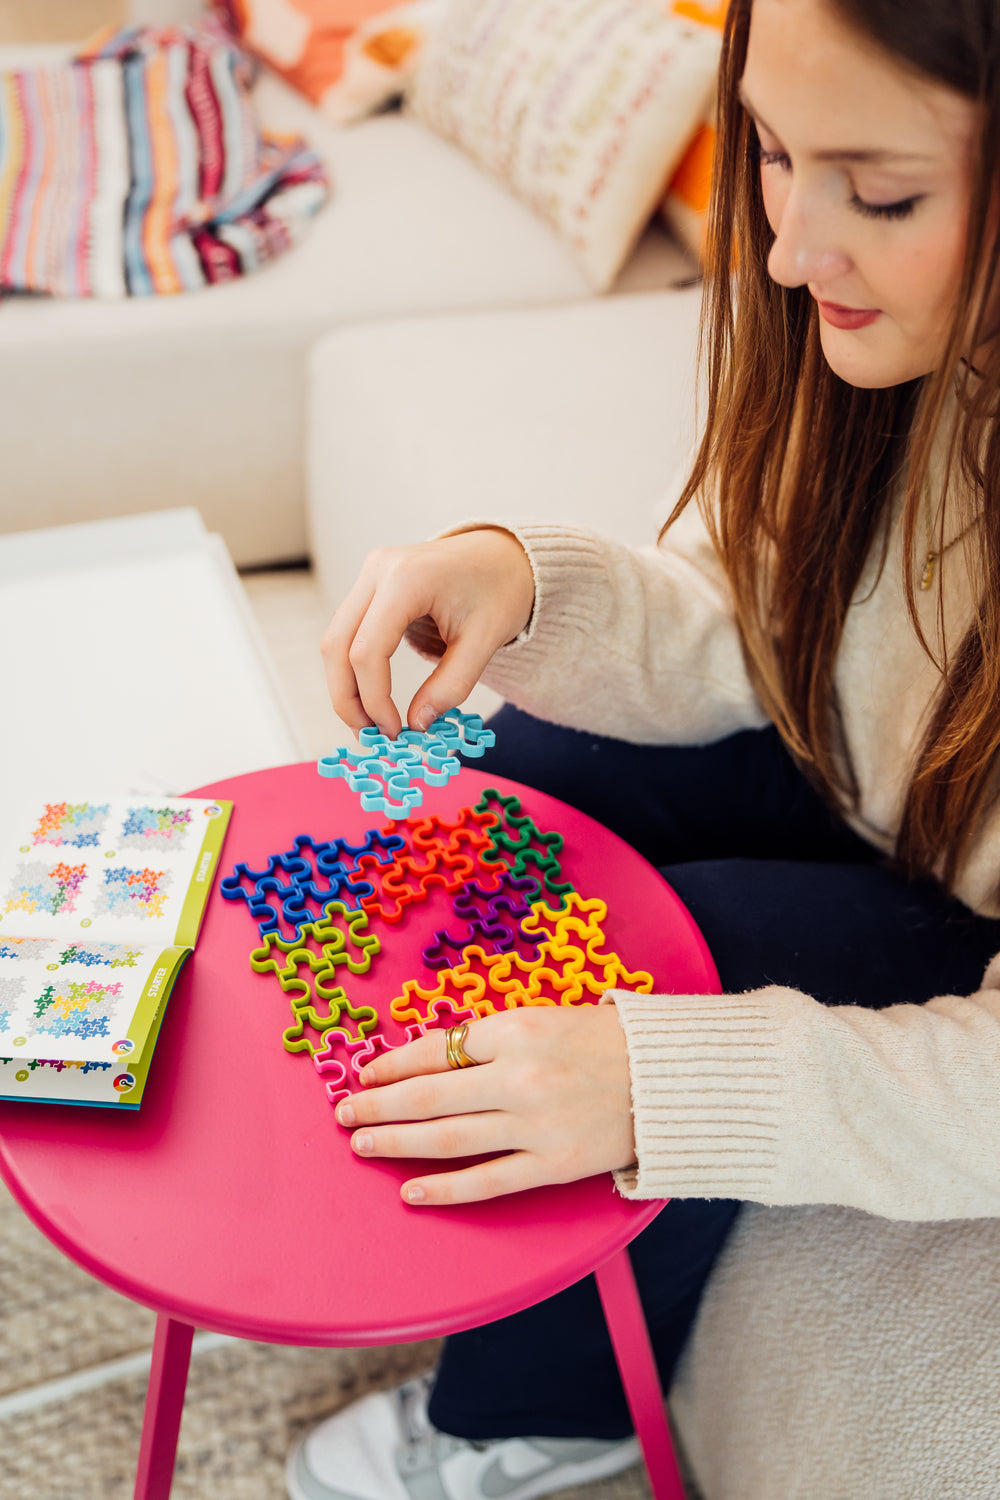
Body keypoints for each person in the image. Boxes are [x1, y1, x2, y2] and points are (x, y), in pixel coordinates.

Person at [286, 1, 1000, 1497]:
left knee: (672, 969)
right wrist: (524, 578)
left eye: (880, 193)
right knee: (523, 757)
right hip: (866, 776)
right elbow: (753, 610)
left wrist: (663, 1083)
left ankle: (538, 1409)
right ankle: (414, 1124)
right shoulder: (876, 349)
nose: (794, 248)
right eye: (769, 152)